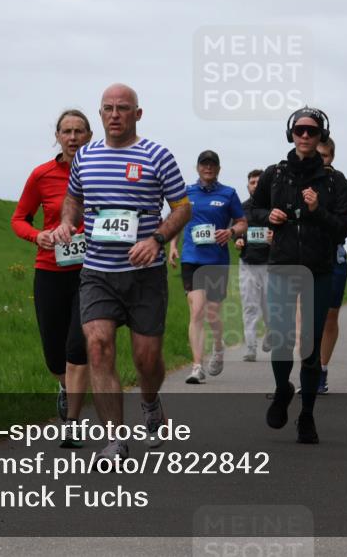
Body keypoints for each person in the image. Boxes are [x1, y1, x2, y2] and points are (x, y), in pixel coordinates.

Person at [53, 83, 191, 460]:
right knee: (97, 348)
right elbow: (73, 200)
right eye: (108, 108)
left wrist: (157, 239)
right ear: (100, 114)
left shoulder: (158, 156)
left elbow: (182, 208)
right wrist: (67, 223)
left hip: (145, 275)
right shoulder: (86, 157)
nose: (115, 114)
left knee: (147, 360)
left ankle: (149, 401)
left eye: (123, 108)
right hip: (97, 272)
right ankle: (114, 438)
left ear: (137, 114)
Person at [252, 106, 347, 444]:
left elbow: (343, 227)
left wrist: (316, 210)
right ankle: (283, 390)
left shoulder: (334, 181)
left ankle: (307, 414)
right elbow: (251, 210)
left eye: (311, 131)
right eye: (300, 130)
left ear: (321, 135)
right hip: (281, 267)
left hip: (319, 270)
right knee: (280, 339)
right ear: (290, 134)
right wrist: (270, 216)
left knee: (310, 345)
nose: (305, 136)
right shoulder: (274, 175)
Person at [12, 109, 93, 448]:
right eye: (66, 131)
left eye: (79, 131)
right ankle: (63, 385)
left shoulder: (99, 171)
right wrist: (37, 236)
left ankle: (72, 423)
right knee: (54, 355)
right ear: (58, 137)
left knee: (78, 347)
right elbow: (19, 219)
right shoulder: (42, 175)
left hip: (91, 273)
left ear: (89, 136)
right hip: (49, 271)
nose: (73, 137)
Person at [168, 151, 247, 382]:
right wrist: (173, 245)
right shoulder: (186, 192)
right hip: (192, 258)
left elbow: (242, 222)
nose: (208, 168)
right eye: (204, 164)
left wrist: (231, 231)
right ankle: (196, 366)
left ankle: (219, 348)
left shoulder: (228, 194)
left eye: (212, 164)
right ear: (198, 167)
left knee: (212, 313)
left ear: (219, 169)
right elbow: (176, 221)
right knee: (197, 311)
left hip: (216, 261)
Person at [316, 137, 347, 394]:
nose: (320, 160)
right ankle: (308, 370)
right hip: (302, 254)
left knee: (329, 317)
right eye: (316, 155)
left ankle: (321, 370)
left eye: (324, 156)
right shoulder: (296, 177)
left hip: (333, 254)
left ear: (331, 157)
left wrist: (332, 216)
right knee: (304, 319)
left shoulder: (340, 182)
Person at [234, 169, 271, 362]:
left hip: (270, 264)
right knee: (250, 306)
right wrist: (238, 239)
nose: (255, 185)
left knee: (269, 307)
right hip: (248, 263)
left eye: (259, 182)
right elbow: (237, 231)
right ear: (247, 186)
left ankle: (270, 333)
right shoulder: (241, 209)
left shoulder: (273, 207)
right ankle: (250, 348)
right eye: (252, 182)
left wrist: (276, 239)